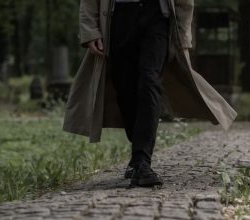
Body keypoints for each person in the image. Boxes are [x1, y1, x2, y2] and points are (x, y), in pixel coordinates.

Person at [63, 0, 237, 187]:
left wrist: (183, 34)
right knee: (125, 90)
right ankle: (138, 155)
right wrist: (91, 30)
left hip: (157, 16)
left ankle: (141, 161)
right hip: (118, 16)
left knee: (150, 80)